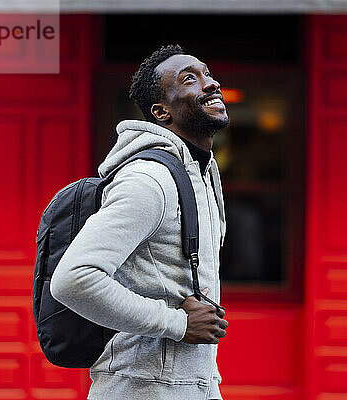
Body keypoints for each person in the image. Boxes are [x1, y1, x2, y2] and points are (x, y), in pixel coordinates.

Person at [50, 44, 229, 400]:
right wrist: (176, 323)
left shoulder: (201, 173)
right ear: (161, 112)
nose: (210, 84)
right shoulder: (149, 181)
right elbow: (73, 279)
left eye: (207, 74)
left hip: (189, 384)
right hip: (141, 387)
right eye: (189, 79)